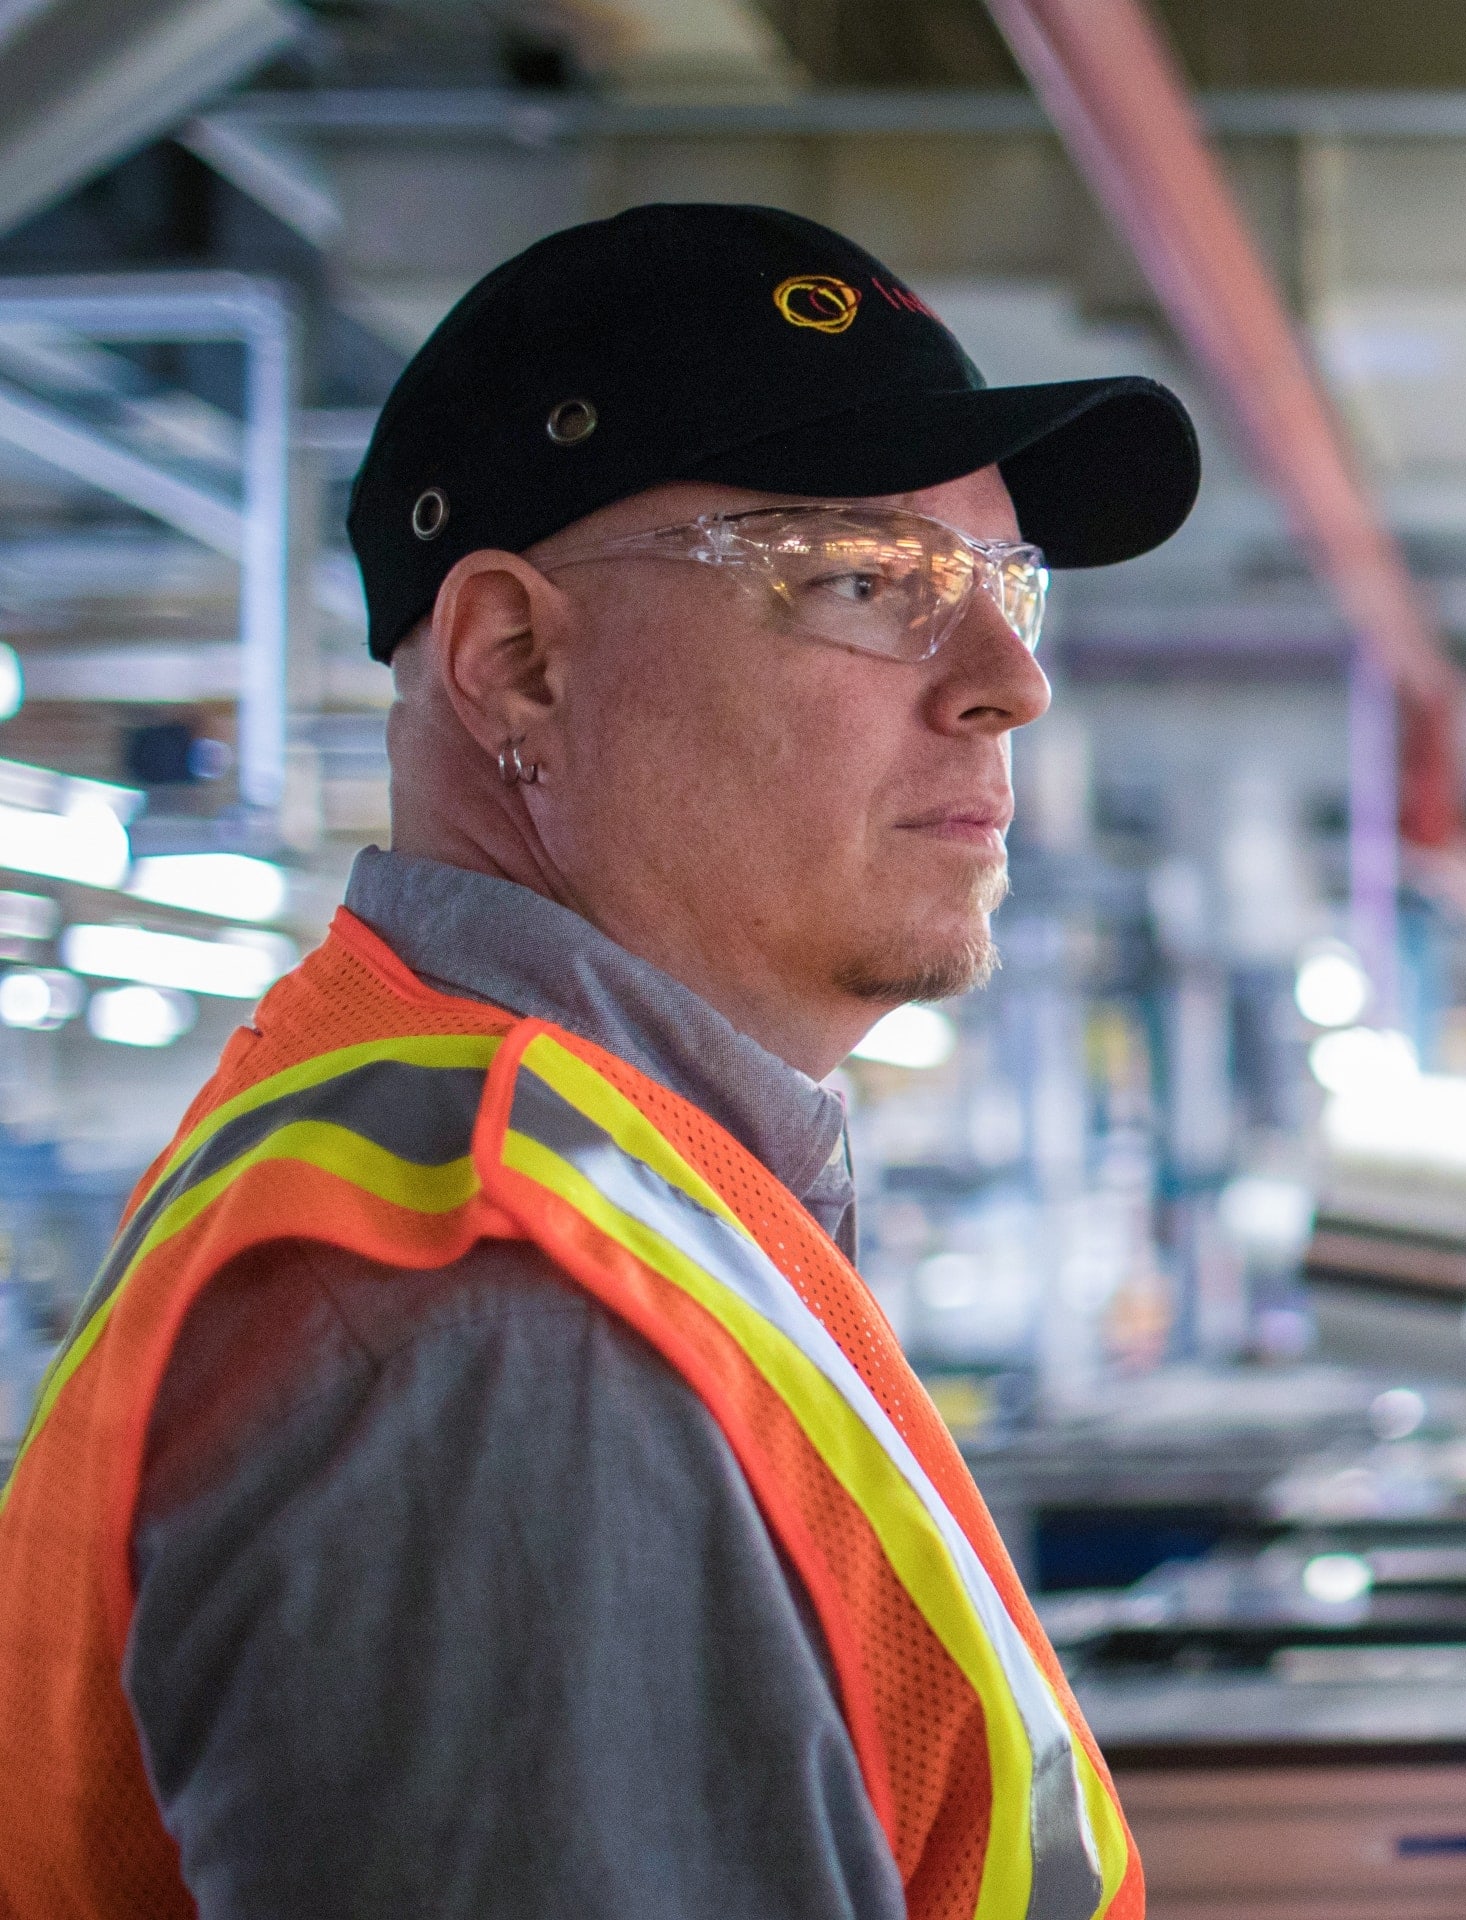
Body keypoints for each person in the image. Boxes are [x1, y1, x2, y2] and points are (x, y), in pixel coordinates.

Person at [0, 203, 1200, 1920]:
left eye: (1004, 591)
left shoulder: (619, 1191)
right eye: (868, 581)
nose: (1012, 681)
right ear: (518, 662)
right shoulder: (485, 1303)